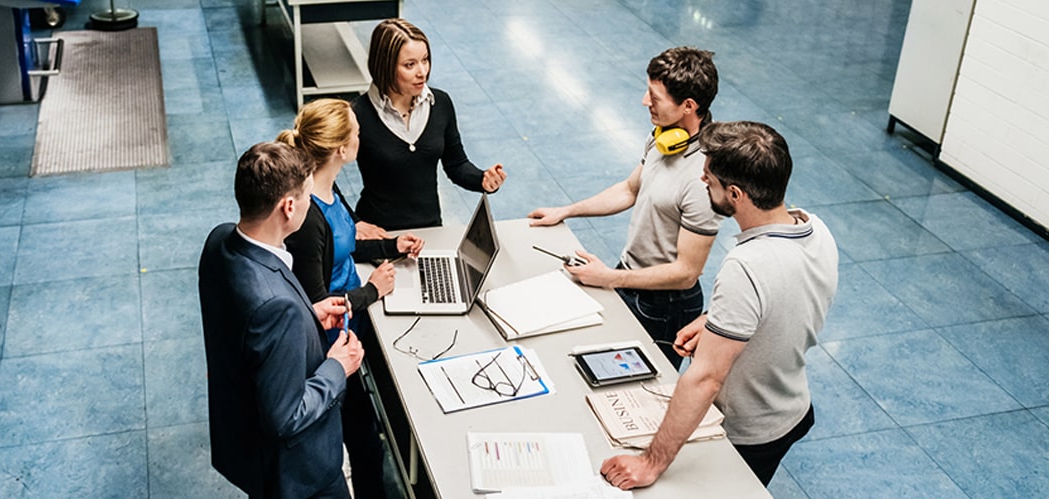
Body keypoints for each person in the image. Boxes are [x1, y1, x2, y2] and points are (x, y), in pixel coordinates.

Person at [600, 121, 839, 489]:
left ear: (736, 194)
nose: (701, 182)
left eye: (709, 180)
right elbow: (785, 292)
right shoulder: (815, 228)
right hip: (792, 407)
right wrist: (717, 321)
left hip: (750, 430)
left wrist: (649, 463)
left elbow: (705, 379)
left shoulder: (746, 264)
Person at [528, 47, 722, 370]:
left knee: (639, 385)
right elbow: (630, 189)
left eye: (654, 97)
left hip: (664, 304)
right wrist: (567, 211)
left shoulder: (703, 178)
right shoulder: (664, 137)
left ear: (689, 106)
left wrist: (610, 278)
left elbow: (687, 273)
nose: (645, 102)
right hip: (629, 276)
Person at [198, 142, 365, 499]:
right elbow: (285, 417)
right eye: (307, 197)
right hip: (299, 476)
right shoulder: (277, 308)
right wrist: (338, 366)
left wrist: (309, 316)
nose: (311, 204)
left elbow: (247, 332)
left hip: (242, 440)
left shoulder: (218, 241)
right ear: (288, 207)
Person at [277, 98, 425, 498]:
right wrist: (372, 290)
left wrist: (392, 244)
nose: (363, 137)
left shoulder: (327, 185)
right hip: (332, 344)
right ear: (341, 149)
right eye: (357, 133)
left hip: (355, 310)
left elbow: (343, 246)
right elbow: (318, 304)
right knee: (362, 438)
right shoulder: (308, 218)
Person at [351, 18, 507, 232]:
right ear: (385, 66)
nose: (422, 72)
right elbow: (321, 182)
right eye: (409, 65)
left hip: (430, 231)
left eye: (425, 60)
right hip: (381, 235)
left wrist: (483, 179)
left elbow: (456, 165)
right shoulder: (357, 115)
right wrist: (355, 223)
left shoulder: (440, 104)